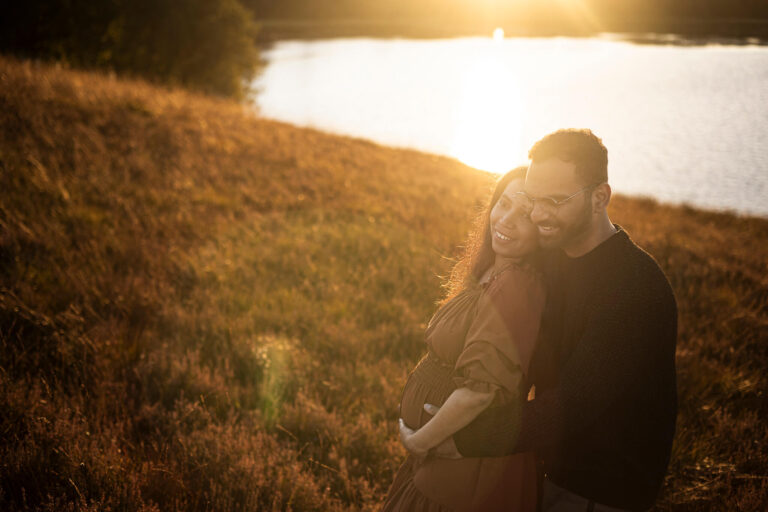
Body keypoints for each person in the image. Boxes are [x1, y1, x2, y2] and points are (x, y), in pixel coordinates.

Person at [401, 129, 678, 512]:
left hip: (598, 489)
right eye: (534, 199)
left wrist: (460, 440)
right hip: (545, 468)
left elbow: (570, 406)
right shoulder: (555, 258)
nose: (539, 214)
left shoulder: (635, 288)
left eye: (556, 201)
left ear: (600, 197)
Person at [381, 166, 546, 511]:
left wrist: (420, 441)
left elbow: (478, 392)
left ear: (543, 228)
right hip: (442, 460)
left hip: (464, 472)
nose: (506, 220)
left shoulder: (514, 284)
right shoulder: (492, 272)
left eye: (525, 214)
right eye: (503, 204)